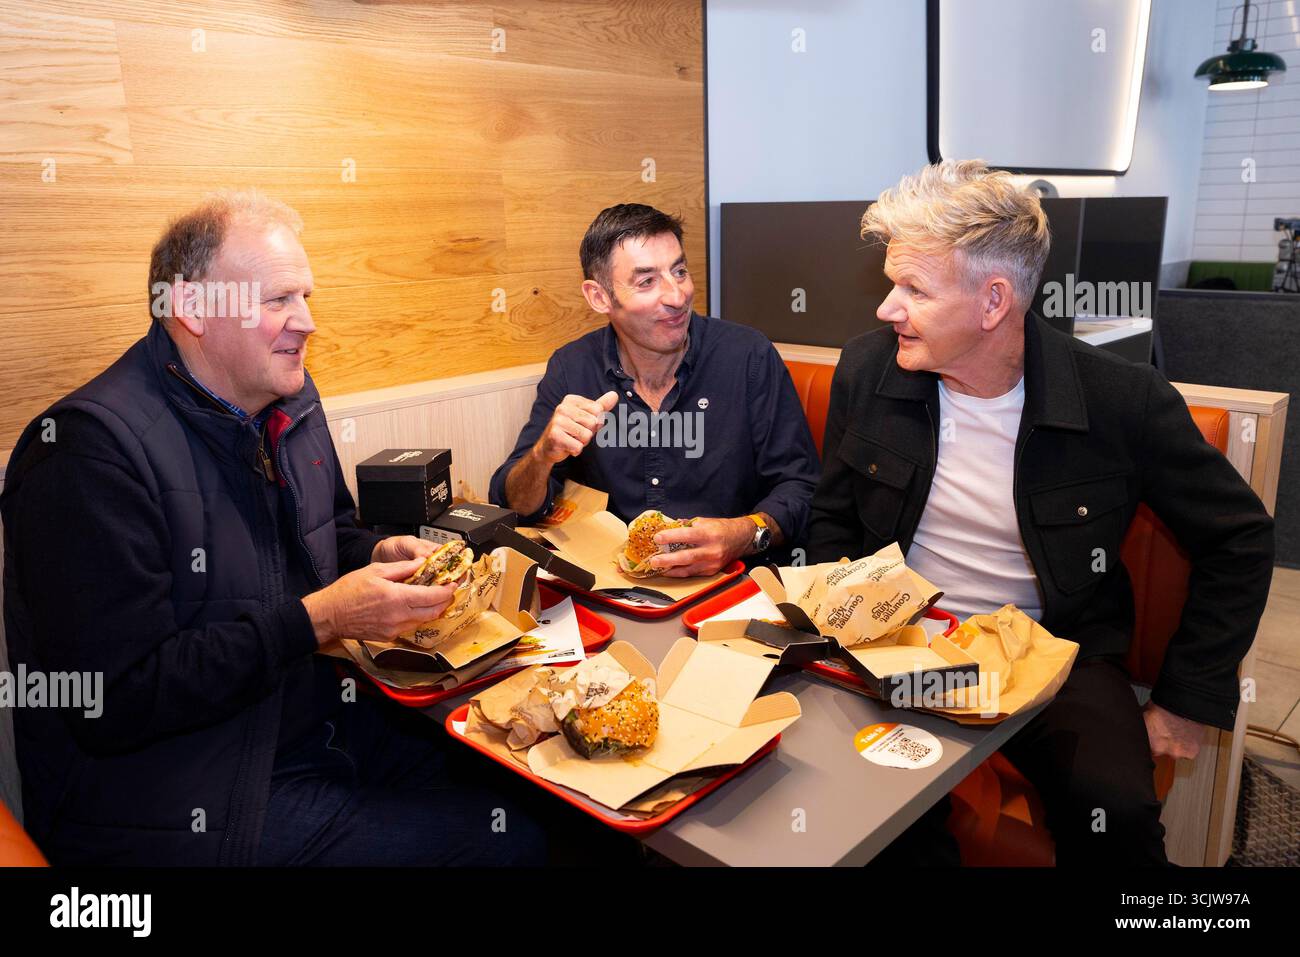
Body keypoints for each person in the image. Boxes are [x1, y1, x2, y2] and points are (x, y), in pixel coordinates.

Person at [1, 190, 545, 866]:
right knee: (508, 844)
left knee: (532, 790)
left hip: (310, 720)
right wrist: (320, 618)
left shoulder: (289, 398)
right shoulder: (86, 454)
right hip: (179, 794)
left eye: (307, 296)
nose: (308, 322)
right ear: (191, 310)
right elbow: (115, 701)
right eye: (278, 300)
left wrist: (377, 551)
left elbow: (330, 537)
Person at [809, 161, 1274, 865]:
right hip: (895, 643)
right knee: (872, 820)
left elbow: (1238, 538)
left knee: (1113, 819)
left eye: (913, 288)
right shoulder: (868, 370)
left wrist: (1186, 697)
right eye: (890, 283)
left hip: (1053, 655)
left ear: (994, 300)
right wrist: (829, 627)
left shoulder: (1122, 400)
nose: (886, 307)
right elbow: (833, 519)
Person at [490, 203, 820, 575]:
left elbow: (802, 489)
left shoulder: (748, 357)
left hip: (731, 584)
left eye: (679, 271)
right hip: (610, 586)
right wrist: (543, 454)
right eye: (647, 281)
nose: (677, 296)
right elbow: (515, 504)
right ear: (599, 297)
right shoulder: (572, 367)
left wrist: (742, 535)